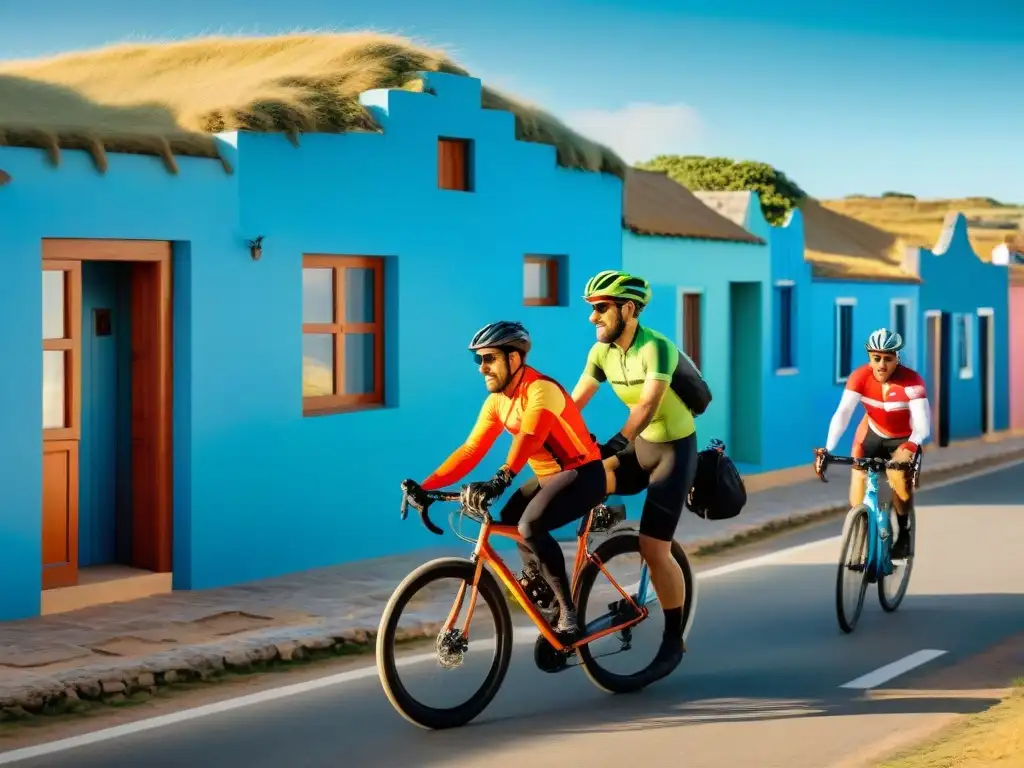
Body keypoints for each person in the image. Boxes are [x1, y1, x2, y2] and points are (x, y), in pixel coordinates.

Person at [402, 321, 604, 638]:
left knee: (530, 526)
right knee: (509, 518)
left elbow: (530, 437)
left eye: (489, 358)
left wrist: (501, 479)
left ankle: (568, 612)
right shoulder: (498, 401)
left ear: (514, 358)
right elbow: (470, 450)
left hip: (584, 473)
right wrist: (427, 487)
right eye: (478, 360)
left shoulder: (541, 390)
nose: (482, 368)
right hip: (548, 477)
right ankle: (538, 581)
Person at [570, 269, 699, 680]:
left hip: (672, 451)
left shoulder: (656, 347)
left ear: (628, 309)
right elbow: (574, 404)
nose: (593, 318)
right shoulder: (601, 353)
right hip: (638, 448)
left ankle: (673, 640)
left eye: (601, 309)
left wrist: (612, 444)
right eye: (591, 309)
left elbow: (646, 407)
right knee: (579, 481)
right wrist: (555, 438)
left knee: (654, 548)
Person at [814, 328, 931, 559]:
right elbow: (843, 413)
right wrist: (828, 448)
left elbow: (923, 424)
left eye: (888, 359)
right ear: (869, 357)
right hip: (872, 433)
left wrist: (912, 445)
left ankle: (904, 531)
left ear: (897, 358)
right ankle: (865, 536)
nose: (881, 365)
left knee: (899, 481)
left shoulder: (912, 381)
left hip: (903, 438)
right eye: (876, 358)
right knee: (857, 496)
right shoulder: (860, 377)